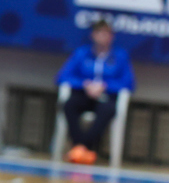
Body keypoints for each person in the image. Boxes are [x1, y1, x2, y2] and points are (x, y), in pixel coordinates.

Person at [56, 19, 134, 165]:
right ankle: (84, 149)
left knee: (108, 109)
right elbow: (62, 76)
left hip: (105, 96)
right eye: (99, 33)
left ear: (112, 36)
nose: (103, 37)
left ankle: (80, 148)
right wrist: (84, 84)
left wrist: (105, 86)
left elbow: (128, 83)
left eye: (106, 33)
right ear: (93, 35)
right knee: (69, 105)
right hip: (83, 94)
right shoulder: (81, 53)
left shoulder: (120, 56)